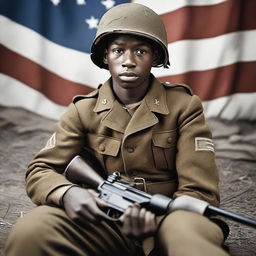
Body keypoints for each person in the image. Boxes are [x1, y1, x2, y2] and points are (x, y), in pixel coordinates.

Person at [5, 3, 229, 256]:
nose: (128, 62)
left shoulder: (183, 106)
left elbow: (199, 191)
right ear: (105, 57)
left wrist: (157, 213)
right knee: (33, 230)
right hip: (105, 218)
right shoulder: (84, 110)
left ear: (155, 57)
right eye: (118, 50)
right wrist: (67, 193)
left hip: (170, 217)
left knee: (189, 238)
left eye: (141, 51)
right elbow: (40, 169)